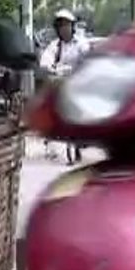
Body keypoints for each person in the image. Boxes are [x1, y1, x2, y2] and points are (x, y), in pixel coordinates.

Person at [39, 9, 89, 162]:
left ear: (72, 26)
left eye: (66, 25)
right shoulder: (55, 46)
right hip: (60, 82)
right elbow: (45, 61)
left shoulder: (81, 43)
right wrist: (50, 67)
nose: (64, 28)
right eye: (60, 25)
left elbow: (87, 57)